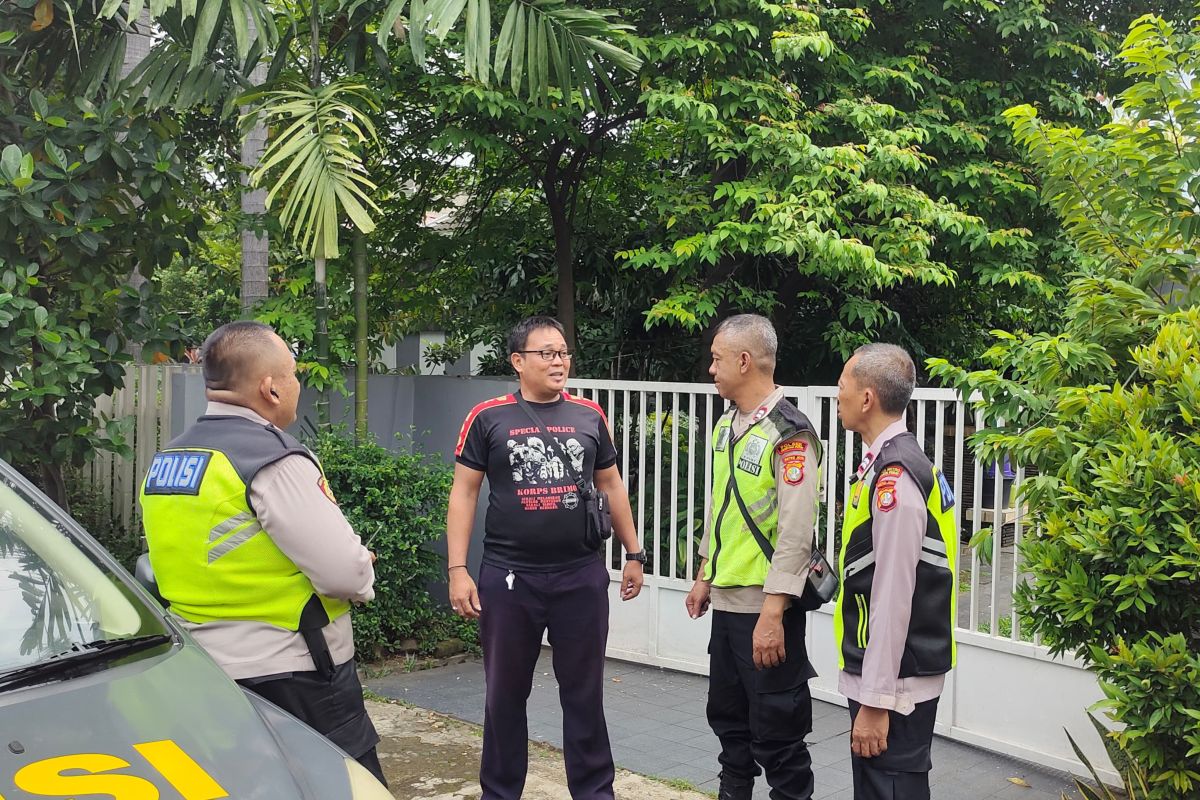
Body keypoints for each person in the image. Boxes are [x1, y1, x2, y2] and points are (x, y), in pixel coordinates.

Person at [139, 321, 385, 785]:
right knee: (340, 787)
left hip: (205, 674)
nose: (296, 385)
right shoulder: (273, 459)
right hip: (294, 676)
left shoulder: (170, 460)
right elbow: (343, 575)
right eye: (293, 375)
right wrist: (361, 566)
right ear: (271, 388)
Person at [446, 315, 645, 800]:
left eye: (563, 353)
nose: (559, 361)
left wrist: (634, 552)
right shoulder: (488, 417)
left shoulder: (589, 416)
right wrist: (457, 571)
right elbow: (464, 494)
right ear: (518, 361)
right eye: (547, 353)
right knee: (505, 698)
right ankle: (500, 792)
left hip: (580, 576)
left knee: (583, 695)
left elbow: (611, 484)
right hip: (509, 579)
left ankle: (596, 792)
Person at [684, 314, 823, 800]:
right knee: (729, 725)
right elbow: (719, 505)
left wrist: (772, 614)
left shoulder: (791, 434)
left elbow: (794, 533)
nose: (711, 369)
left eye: (717, 359)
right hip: (726, 604)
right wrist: (704, 573)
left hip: (766, 611)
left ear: (745, 361)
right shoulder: (728, 425)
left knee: (778, 734)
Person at [834, 343, 958, 799]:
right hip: (891, 674)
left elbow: (893, 593)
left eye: (843, 385)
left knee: (889, 788)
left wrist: (875, 700)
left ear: (867, 398)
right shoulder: (891, 463)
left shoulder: (896, 476)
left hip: (896, 683)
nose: (838, 394)